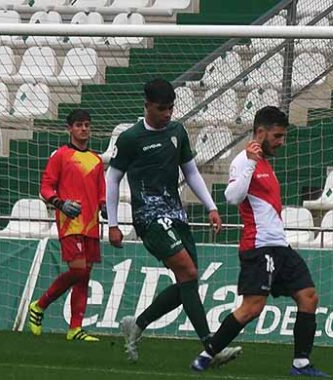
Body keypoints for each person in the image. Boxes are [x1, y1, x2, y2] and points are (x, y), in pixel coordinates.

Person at [106, 78, 240, 367]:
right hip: (148, 218)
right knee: (188, 271)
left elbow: (190, 172)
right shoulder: (130, 138)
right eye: (161, 109)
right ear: (147, 106)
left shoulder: (177, 132)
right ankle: (211, 347)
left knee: (187, 280)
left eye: (170, 108)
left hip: (176, 214)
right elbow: (113, 179)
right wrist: (113, 223)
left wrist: (211, 207)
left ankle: (137, 324)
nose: (167, 114)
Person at [190, 106, 331, 377]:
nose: (281, 141)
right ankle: (207, 354)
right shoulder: (244, 161)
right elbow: (232, 197)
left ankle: (301, 363)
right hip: (259, 247)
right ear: (260, 133)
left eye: (282, 136)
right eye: (277, 136)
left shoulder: (265, 163)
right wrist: (251, 163)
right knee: (252, 308)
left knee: (309, 297)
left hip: (280, 246)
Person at [27, 109, 106, 342]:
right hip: (70, 222)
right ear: (69, 128)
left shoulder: (96, 160)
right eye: (79, 125)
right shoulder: (60, 156)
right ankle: (39, 306)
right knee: (78, 270)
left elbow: (101, 191)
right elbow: (46, 187)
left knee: (84, 276)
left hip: (92, 224)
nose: (84, 129)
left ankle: (75, 328)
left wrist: (104, 206)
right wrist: (60, 204)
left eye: (87, 125)